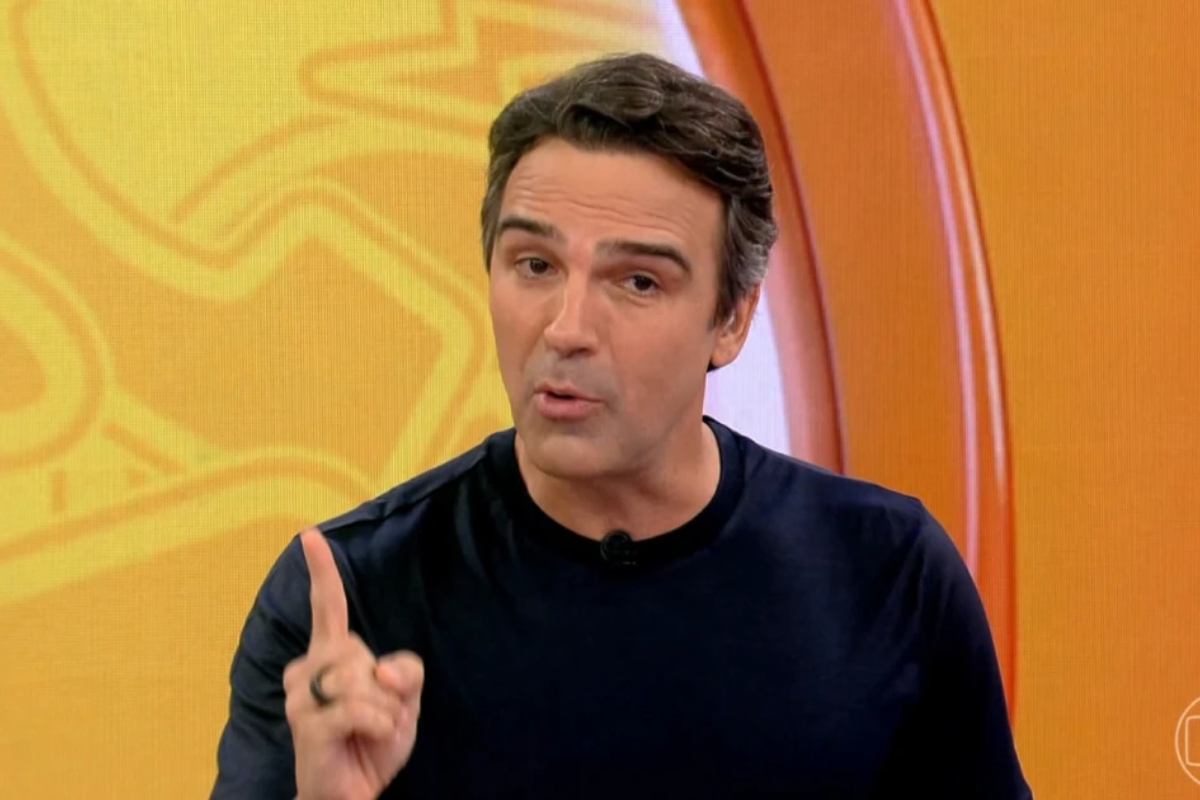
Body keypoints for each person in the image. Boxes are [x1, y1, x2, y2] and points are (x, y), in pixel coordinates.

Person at [210, 52, 1032, 799]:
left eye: (637, 281)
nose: (566, 327)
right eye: (535, 265)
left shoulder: (886, 573)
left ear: (732, 320)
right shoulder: (349, 605)